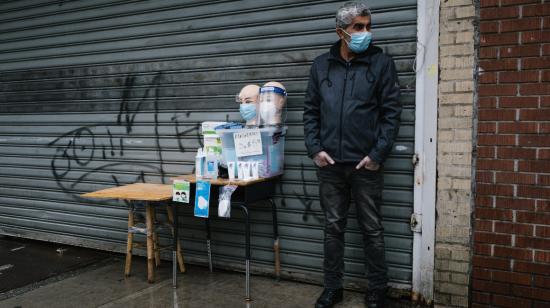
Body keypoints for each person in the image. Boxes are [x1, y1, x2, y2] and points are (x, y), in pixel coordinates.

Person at [303, 2, 401, 307]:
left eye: (368, 26)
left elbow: (391, 113)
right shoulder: (321, 66)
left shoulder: (381, 64)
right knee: (333, 228)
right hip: (330, 165)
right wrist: (315, 149)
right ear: (340, 31)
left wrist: (377, 154)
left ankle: (377, 290)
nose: (365, 33)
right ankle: (333, 287)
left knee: (372, 229)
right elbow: (310, 113)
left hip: (365, 165)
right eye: (358, 27)